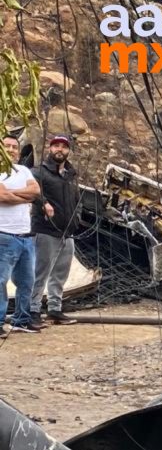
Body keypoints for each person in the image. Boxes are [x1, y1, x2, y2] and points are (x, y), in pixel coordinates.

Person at [30, 135, 80, 326]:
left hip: (67, 232)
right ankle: (33, 310)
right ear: (50, 149)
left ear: (68, 151)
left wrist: (78, 218)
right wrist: (44, 204)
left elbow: (77, 200)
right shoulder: (39, 172)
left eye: (64, 147)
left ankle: (55, 309)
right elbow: (34, 192)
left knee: (60, 273)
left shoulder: (70, 175)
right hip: (45, 230)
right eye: (56, 146)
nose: (60, 149)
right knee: (40, 272)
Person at [0, 135, 41, 336]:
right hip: (4, 235)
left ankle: (21, 320)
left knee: (26, 281)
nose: (11, 150)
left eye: (14, 147)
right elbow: (1, 196)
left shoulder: (24, 170)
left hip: (26, 236)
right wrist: (23, 197)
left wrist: (12, 195)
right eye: (6, 146)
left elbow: (35, 192)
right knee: (0, 281)